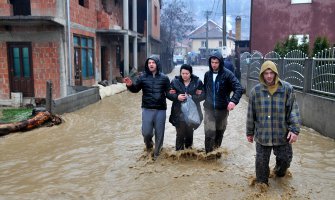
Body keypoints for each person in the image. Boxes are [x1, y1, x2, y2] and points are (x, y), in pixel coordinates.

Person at [246, 60, 301, 186]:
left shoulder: (287, 89)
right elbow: (250, 114)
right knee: (261, 166)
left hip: (282, 134)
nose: (269, 76)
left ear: (276, 73)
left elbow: (294, 110)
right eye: (266, 73)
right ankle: (262, 188)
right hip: (262, 136)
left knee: (285, 161)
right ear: (262, 75)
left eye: (271, 73)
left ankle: (278, 173)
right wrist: (249, 132)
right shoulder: (256, 91)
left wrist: (294, 130)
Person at [123, 55, 171, 160]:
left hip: (160, 109)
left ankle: (157, 155)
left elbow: (169, 93)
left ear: (157, 64)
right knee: (146, 133)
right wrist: (130, 85)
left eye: (153, 63)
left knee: (159, 134)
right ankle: (149, 146)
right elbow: (135, 89)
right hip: (147, 109)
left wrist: (176, 95)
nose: (151, 64)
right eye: (149, 63)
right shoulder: (142, 77)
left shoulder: (164, 78)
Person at [203, 51, 243, 153]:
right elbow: (204, 90)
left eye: (216, 62)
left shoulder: (228, 74)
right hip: (209, 109)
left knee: (219, 133)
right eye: (212, 62)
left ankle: (216, 153)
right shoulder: (207, 75)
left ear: (220, 62)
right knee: (209, 133)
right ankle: (208, 156)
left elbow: (239, 88)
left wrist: (233, 101)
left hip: (222, 110)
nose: (214, 65)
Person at [168, 64, 204, 151]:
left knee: (189, 134)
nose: (184, 75)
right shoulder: (175, 81)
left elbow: (204, 95)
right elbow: (168, 94)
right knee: (180, 134)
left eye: (187, 73)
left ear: (190, 73)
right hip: (178, 112)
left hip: (192, 113)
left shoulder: (197, 82)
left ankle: (188, 153)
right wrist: (177, 97)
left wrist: (193, 97)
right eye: (183, 73)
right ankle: (179, 155)